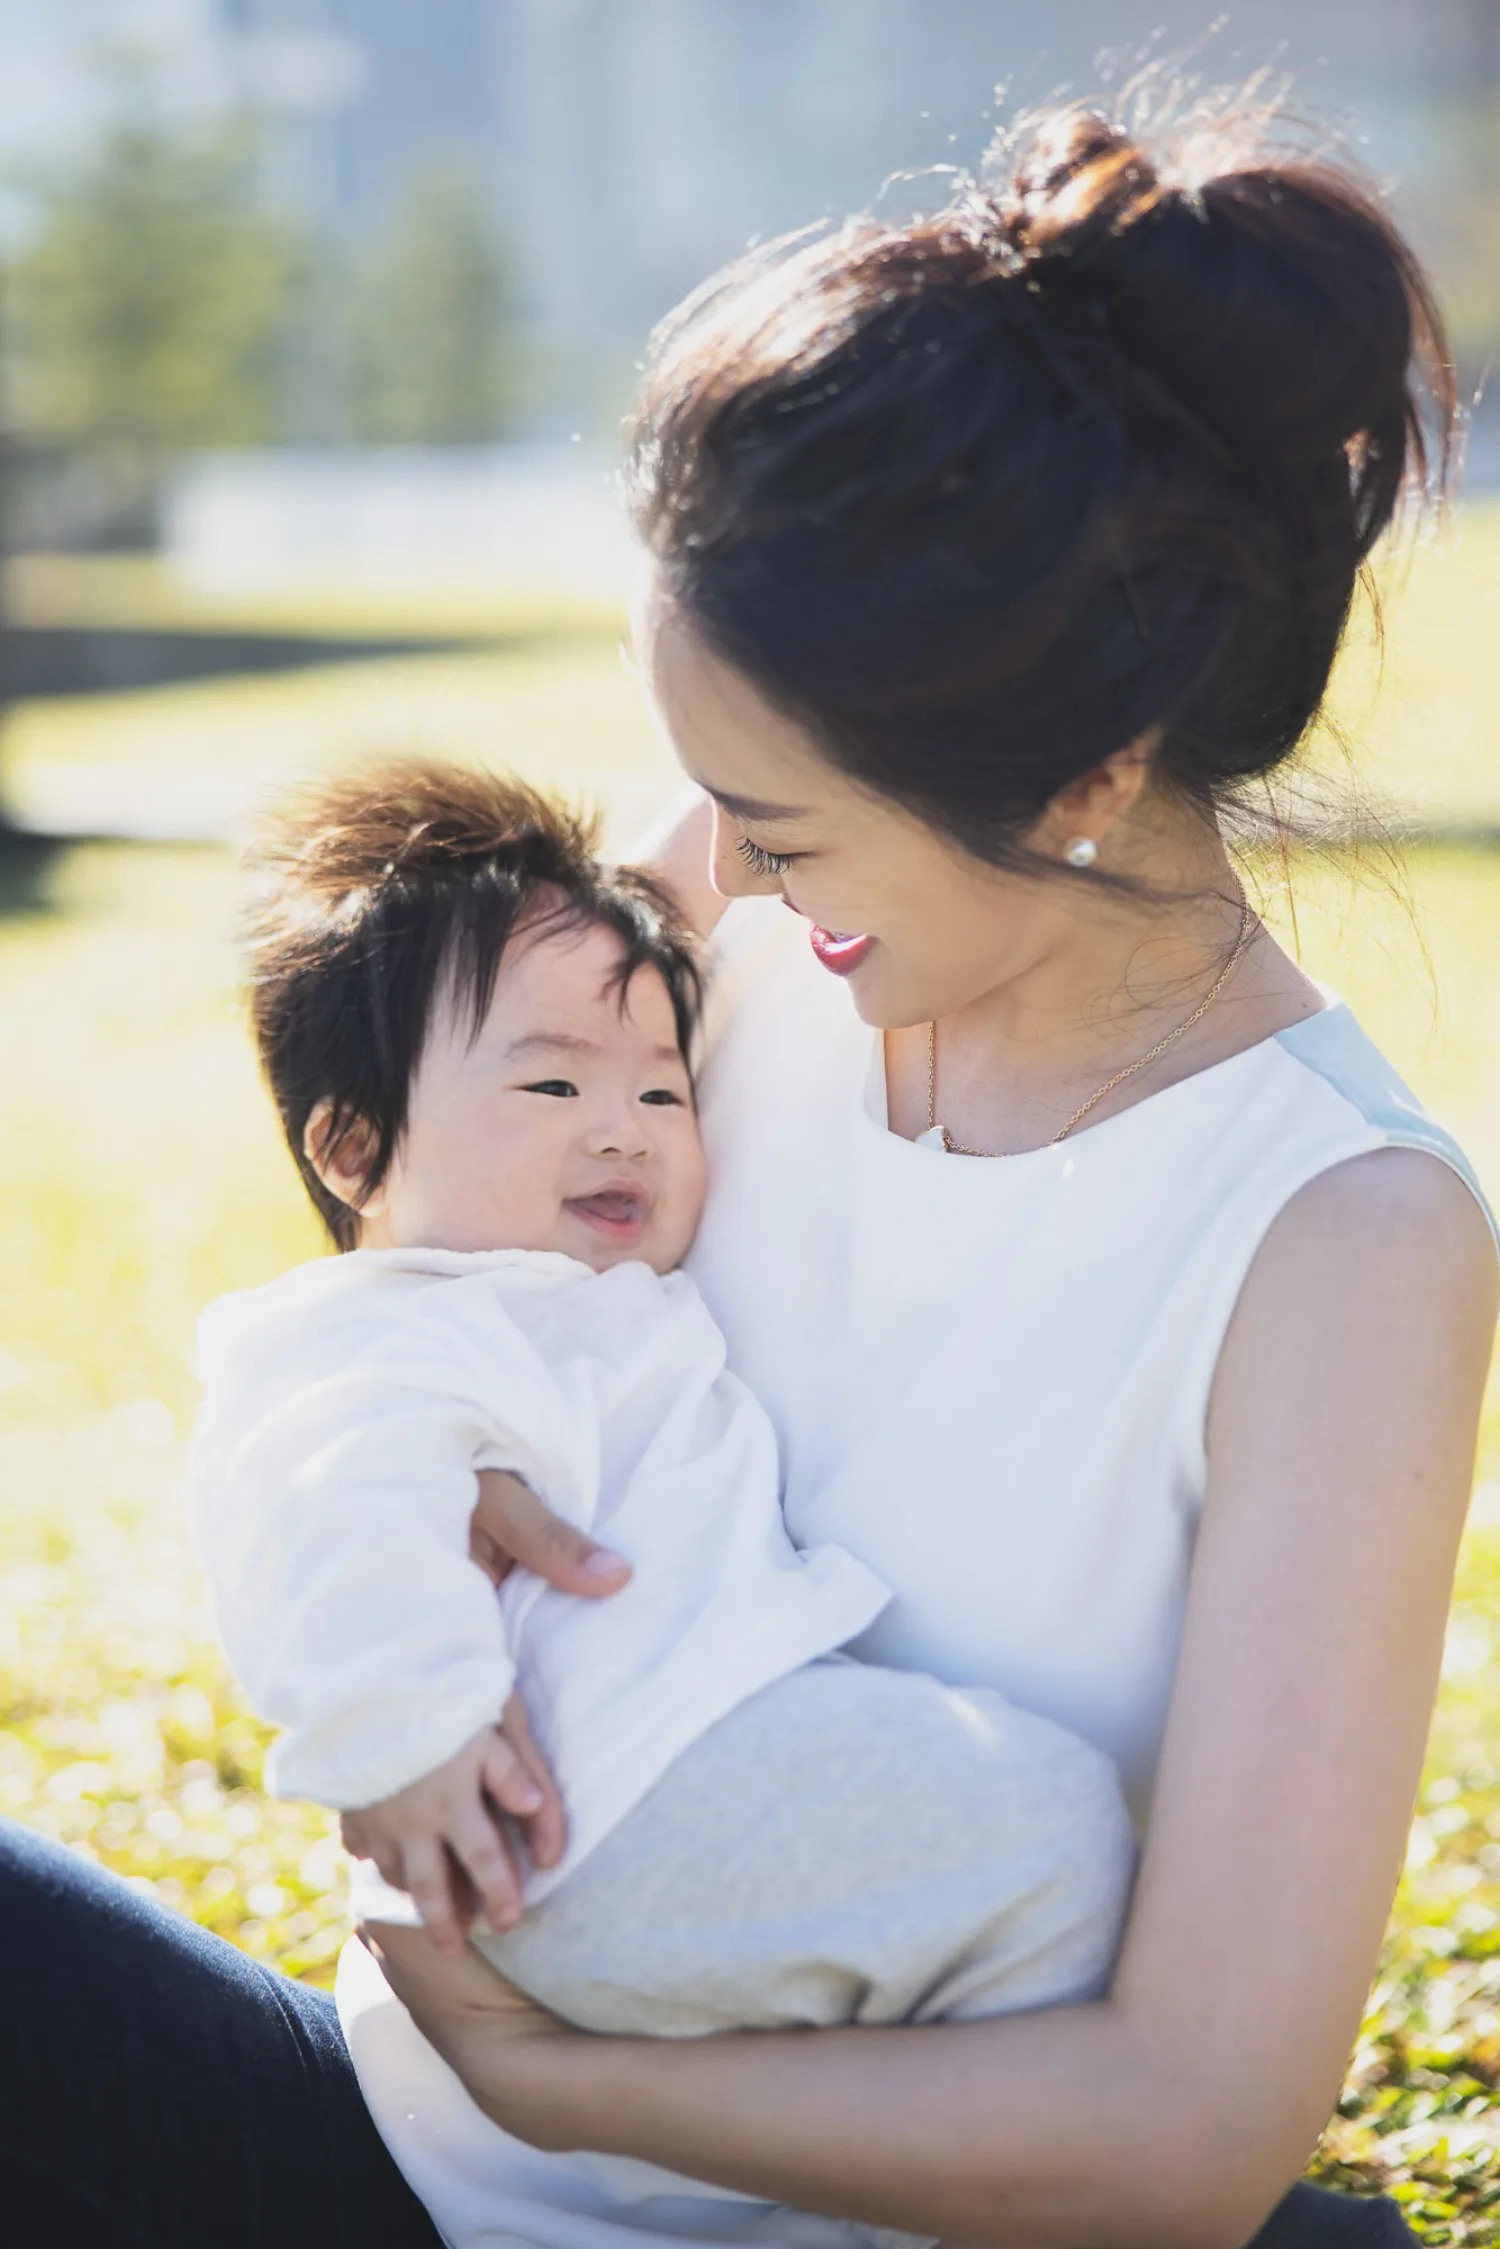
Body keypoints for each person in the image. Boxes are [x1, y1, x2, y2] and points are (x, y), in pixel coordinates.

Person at [0, 87, 1493, 2249]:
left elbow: (1193, 2126)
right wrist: (442, 1492)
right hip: (404, 2154)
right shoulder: (716, 911)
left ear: (1085, 773)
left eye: (780, 831)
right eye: (713, 810)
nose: (708, 878)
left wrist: (566, 2069)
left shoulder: (1341, 1238)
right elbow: (397, 1289)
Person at [187, 758, 1132, 2079]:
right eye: (553, 1090)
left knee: (1029, 1873)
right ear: (353, 1153)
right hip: (597, 1800)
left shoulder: (582, 1294)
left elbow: (671, 910)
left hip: (668, 1779)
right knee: (1064, 1834)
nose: (624, 1131)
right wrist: (405, 1735)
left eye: (662, 1091)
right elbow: (316, 1489)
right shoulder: (389, 1321)